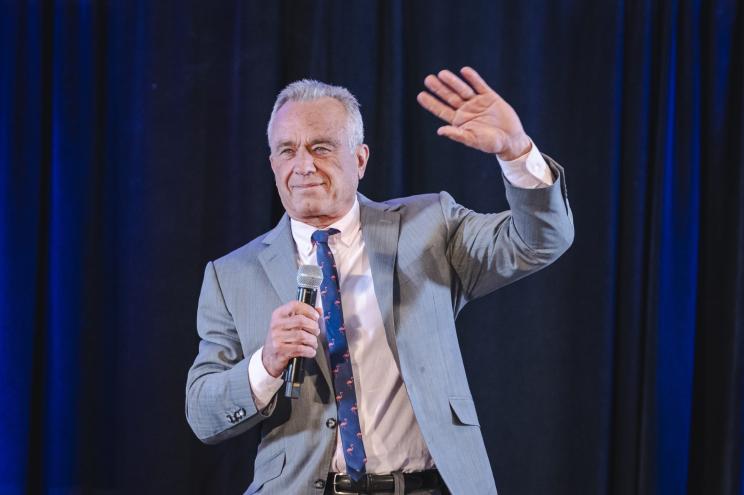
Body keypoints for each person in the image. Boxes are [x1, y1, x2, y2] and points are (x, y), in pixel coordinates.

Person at [186, 67, 574, 495]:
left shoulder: (429, 226)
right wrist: (266, 363)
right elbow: (204, 415)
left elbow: (538, 241)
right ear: (272, 163)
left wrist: (516, 153)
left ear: (360, 159)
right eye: (287, 150)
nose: (303, 165)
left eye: (321, 147)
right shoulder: (231, 275)